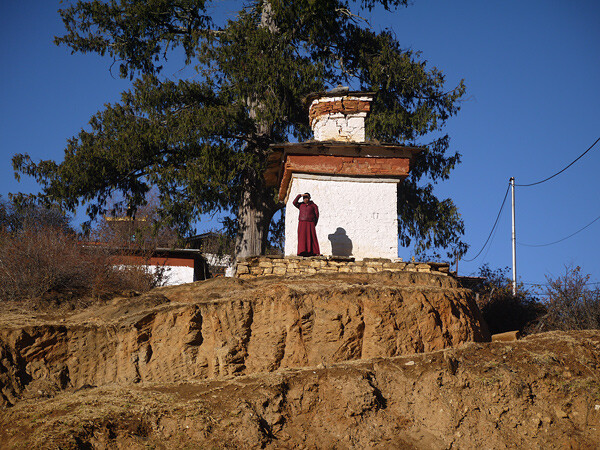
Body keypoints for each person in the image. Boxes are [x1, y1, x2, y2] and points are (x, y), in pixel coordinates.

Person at [293, 192, 320, 257]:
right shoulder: (300, 205)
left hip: (310, 223)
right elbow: (294, 202)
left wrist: (314, 224)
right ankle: (302, 251)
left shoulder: (314, 206)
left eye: (306, 198)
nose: (305, 199)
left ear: (309, 198)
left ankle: (313, 252)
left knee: (312, 237)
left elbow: (317, 215)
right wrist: (300, 195)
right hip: (302, 223)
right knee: (302, 237)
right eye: (304, 198)